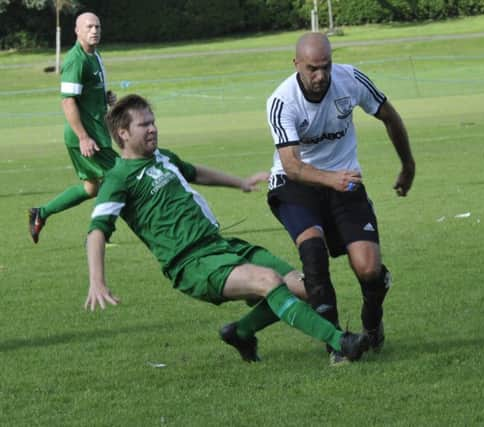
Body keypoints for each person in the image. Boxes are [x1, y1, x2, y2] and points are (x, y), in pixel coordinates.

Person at [85, 94, 370, 365]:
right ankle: (341, 342)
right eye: (144, 124)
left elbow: (196, 172)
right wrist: (97, 280)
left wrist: (241, 182)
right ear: (123, 133)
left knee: (305, 286)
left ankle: (241, 333)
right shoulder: (118, 178)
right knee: (269, 280)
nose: (153, 129)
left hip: (220, 245)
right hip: (190, 263)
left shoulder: (163, 157)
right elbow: (97, 231)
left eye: (153, 121)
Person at [265, 32, 415, 359]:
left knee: (369, 270)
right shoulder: (282, 101)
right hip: (296, 186)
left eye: (326, 67)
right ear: (296, 65)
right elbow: (292, 166)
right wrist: (330, 179)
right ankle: (337, 343)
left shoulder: (350, 79)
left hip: (344, 182)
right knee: (313, 256)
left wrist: (408, 165)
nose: (320, 76)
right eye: (312, 69)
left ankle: (372, 324)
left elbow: (389, 115)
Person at [29, 12, 118, 244]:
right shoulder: (76, 60)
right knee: (121, 177)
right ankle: (101, 231)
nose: (94, 30)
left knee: (91, 189)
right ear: (77, 31)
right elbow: (68, 100)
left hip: (95, 132)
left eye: (97, 26)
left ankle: (42, 213)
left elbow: (84, 93)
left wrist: (104, 96)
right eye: (89, 26)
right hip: (88, 137)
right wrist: (83, 137)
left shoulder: (94, 55)